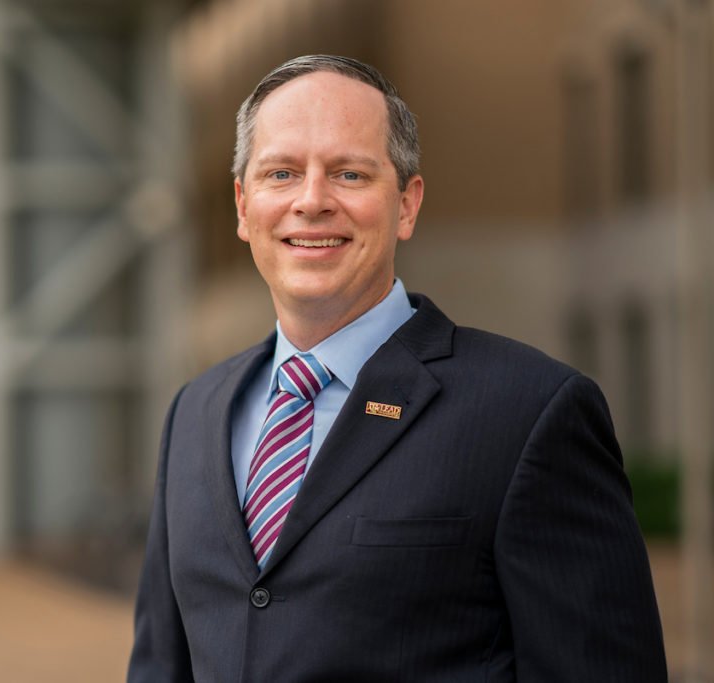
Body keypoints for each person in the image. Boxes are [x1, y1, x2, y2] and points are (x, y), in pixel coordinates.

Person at [128, 54, 666, 682]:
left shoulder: (529, 412)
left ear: (407, 204)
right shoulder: (195, 412)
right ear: (244, 208)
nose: (311, 201)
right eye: (282, 173)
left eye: (349, 174)